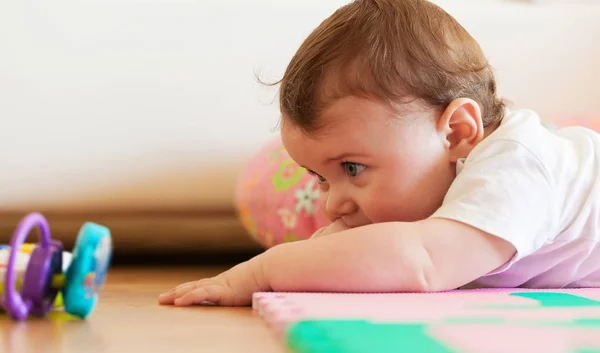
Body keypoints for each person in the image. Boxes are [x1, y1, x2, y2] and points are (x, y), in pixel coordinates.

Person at [159, 0, 600, 307]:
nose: (333, 204)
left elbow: (422, 263)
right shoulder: (449, 171)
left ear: (457, 133)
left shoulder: (516, 167)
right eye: (321, 177)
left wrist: (264, 272)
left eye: (353, 168)